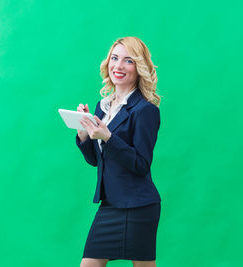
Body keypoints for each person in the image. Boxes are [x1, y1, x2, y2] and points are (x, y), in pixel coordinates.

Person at [75, 37, 162, 267]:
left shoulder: (145, 110)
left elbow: (141, 164)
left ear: (139, 67)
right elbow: (97, 161)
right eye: (114, 58)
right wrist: (84, 135)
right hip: (110, 205)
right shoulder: (102, 107)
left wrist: (108, 137)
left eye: (128, 61)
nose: (118, 66)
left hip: (138, 207)